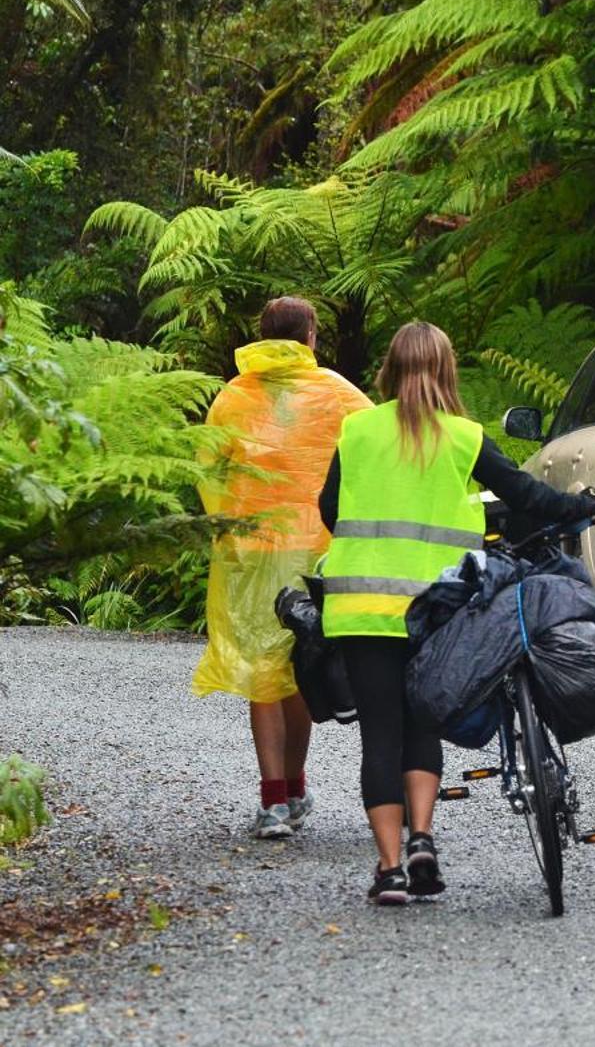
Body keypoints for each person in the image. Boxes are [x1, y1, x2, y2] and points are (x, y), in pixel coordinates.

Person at [318, 321, 595, 905]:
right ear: (447, 370)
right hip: (439, 610)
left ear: (390, 370)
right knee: (423, 722)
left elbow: (329, 510)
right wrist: (579, 507)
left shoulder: (357, 430)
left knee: (381, 734)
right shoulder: (464, 437)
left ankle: (390, 869)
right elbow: (527, 497)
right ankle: (423, 838)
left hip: (362, 609)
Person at [194, 296, 369, 840]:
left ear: (261, 334)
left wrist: (229, 526)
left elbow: (208, 469)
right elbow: (376, 449)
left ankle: (275, 799)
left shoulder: (233, 396)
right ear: (311, 337)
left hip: (253, 555)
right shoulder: (339, 394)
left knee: (263, 677)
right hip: (317, 552)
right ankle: (292, 787)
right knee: (301, 667)